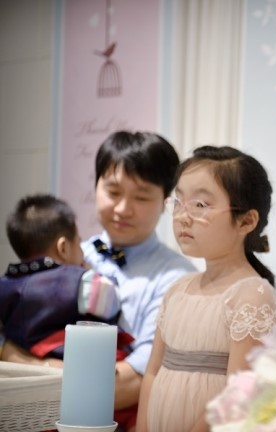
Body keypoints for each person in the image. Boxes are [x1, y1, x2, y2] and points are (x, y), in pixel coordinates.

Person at [1, 131, 197, 432]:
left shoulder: (178, 280)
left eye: (141, 197)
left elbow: (133, 383)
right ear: (96, 186)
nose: (122, 209)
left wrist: (29, 367)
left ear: (165, 201)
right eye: (113, 192)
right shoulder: (64, 257)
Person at [136, 146, 276, 432]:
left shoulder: (251, 296)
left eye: (200, 205)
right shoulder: (177, 290)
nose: (183, 216)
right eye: (179, 202)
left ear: (246, 221)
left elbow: (237, 396)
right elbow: (152, 372)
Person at [0, 194, 126, 364]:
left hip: (24, 362)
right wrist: (92, 273)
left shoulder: (6, 284)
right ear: (63, 248)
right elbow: (111, 302)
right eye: (78, 243)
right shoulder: (76, 281)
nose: (83, 252)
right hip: (73, 359)